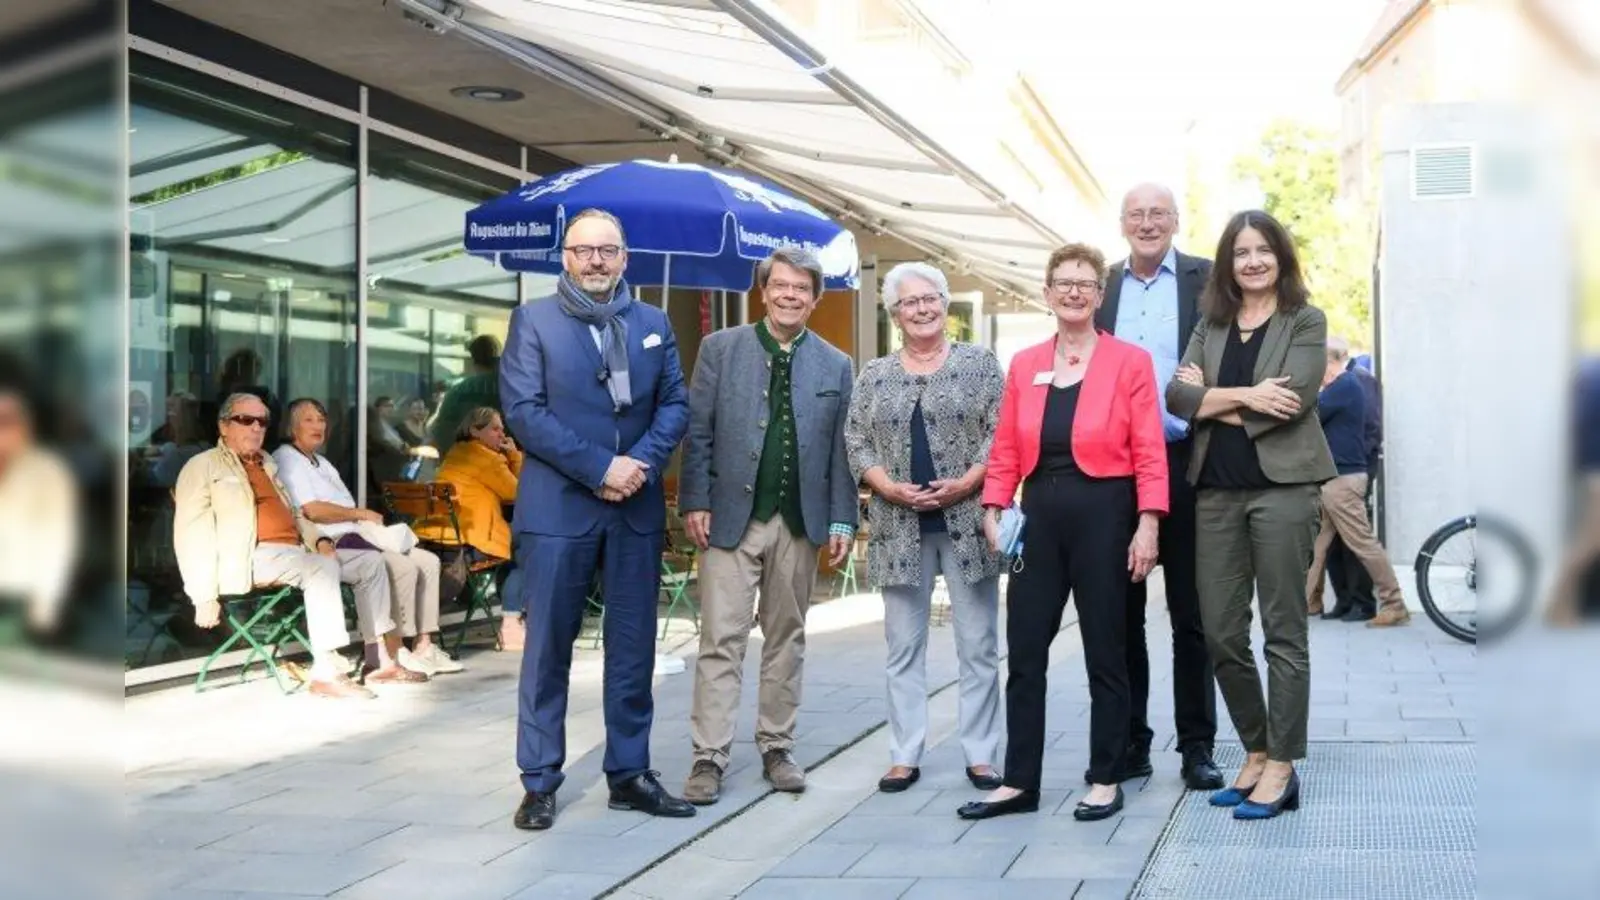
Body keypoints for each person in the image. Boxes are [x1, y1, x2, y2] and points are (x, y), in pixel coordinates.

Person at [958, 243, 1167, 823]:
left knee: (1107, 648)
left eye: (1085, 283)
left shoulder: (1129, 362)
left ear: (1100, 296)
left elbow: (1150, 448)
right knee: (1024, 650)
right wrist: (994, 505)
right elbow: (1004, 445)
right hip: (1040, 513)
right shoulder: (1025, 363)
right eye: (1063, 282)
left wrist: (1148, 524)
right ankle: (1019, 780)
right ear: (1047, 294)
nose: (1074, 291)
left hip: (1107, 510)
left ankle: (1105, 776)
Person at [501, 208, 692, 831]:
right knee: (548, 650)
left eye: (607, 250)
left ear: (624, 257)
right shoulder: (533, 321)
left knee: (633, 651)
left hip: (633, 509)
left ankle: (629, 773)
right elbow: (524, 414)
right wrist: (600, 468)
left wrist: (636, 464)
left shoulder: (653, 322)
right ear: (564, 256)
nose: (596, 261)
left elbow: (674, 404)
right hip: (559, 510)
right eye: (583, 250)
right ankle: (539, 781)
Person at [1167, 209, 1336, 820]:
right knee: (1220, 632)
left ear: (1280, 257)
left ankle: (1283, 764)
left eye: (1263, 250)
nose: (1253, 261)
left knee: (1284, 633)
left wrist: (1215, 400)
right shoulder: (1211, 323)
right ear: (1227, 264)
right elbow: (1178, 396)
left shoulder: (1305, 320)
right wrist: (1244, 394)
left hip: (1284, 491)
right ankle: (1256, 747)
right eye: (1241, 252)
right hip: (1214, 491)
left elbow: (1295, 400)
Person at [678, 246, 857, 806]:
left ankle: (777, 746)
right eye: (780, 285)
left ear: (814, 298)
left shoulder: (835, 364)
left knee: (788, 637)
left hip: (799, 522)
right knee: (720, 639)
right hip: (730, 517)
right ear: (764, 290)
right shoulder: (719, 349)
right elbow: (698, 432)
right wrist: (695, 500)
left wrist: (842, 519)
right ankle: (709, 756)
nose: (789, 295)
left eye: (800, 289)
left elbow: (842, 452)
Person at [845, 261, 1006, 794]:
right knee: (903, 647)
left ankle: (982, 755)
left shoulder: (980, 365)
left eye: (930, 298)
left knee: (979, 644)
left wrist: (968, 482)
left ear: (945, 303)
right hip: (898, 527)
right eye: (909, 302)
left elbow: (1001, 434)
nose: (921, 309)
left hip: (966, 522)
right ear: (894, 313)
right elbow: (856, 441)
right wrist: (883, 486)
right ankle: (904, 754)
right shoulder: (875, 375)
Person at [1093, 182, 1223, 791]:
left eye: (1159, 213)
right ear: (1122, 224)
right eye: (1137, 214)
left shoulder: (1209, 278)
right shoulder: (1103, 286)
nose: (1148, 223)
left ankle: (1197, 746)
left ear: (1176, 220)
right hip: (1118, 469)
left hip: (1189, 461)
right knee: (1122, 614)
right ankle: (1131, 742)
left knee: (1194, 616)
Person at [173, 393, 371, 699]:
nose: (255, 427)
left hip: (294, 552)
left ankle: (383, 657)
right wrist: (203, 595)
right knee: (320, 568)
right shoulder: (202, 466)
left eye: (262, 422)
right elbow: (191, 534)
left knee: (370, 564)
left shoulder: (267, 463)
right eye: (245, 420)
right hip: (250, 557)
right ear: (223, 426)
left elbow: (293, 513)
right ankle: (328, 671)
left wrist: (318, 538)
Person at [274, 398, 460, 678]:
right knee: (403, 566)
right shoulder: (286, 458)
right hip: (331, 542)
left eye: (321, 420)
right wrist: (359, 513)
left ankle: (424, 645)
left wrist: (362, 519)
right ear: (291, 427)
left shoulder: (322, 462)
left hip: (358, 536)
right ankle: (396, 651)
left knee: (429, 561)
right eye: (308, 420)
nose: (317, 426)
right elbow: (310, 510)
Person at [1304, 338, 1410, 627]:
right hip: (1333, 478)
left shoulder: (1344, 386)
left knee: (1362, 543)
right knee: (1316, 542)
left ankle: (1394, 603)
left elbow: (1308, 415)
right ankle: (1307, 602)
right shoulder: (1342, 386)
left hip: (1342, 479)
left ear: (1328, 363)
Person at [414, 407, 525, 650]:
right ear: (475, 430)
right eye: (494, 429)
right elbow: (518, 493)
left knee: (514, 544)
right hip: (467, 542)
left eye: (502, 429)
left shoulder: (456, 452)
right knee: (525, 547)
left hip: (432, 538)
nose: (501, 434)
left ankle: (498, 614)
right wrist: (514, 455)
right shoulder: (487, 458)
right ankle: (511, 625)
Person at [1322, 354, 1384, 621]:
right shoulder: (1335, 384)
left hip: (1351, 470)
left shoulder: (1357, 381)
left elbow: (1370, 427)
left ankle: (1364, 600)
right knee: (1332, 543)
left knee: (1355, 542)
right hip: (1335, 472)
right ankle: (1345, 600)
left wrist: (1359, 463)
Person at [429, 335, 502, 455]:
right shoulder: (516, 388)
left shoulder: (458, 391)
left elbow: (442, 433)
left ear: (472, 359)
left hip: (464, 464)